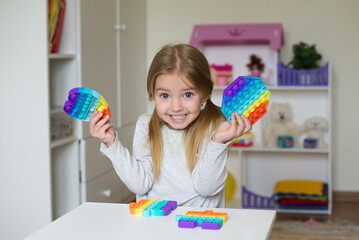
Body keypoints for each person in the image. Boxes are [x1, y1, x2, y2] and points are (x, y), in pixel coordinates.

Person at [89, 43, 252, 208]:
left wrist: (217, 142)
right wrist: (112, 144)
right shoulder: (145, 125)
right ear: (152, 94)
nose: (176, 107)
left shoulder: (216, 125)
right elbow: (140, 185)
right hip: (155, 226)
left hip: (200, 229)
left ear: (204, 95)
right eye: (165, 95)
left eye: (187, 94)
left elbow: (207, 188)